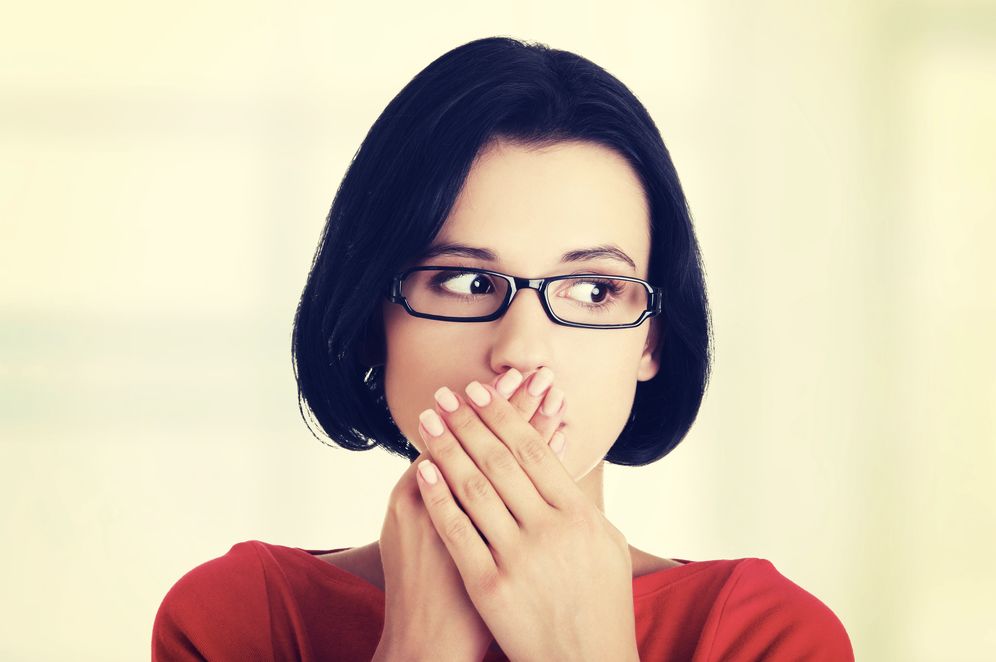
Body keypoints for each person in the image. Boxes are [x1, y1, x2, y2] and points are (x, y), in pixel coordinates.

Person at [151, 36, 854, 661]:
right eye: (465, 281)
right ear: (372, 318)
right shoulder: (239, 622)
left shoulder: (767, 637)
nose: (521, 349)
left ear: (652, 339)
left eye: (594, 290)